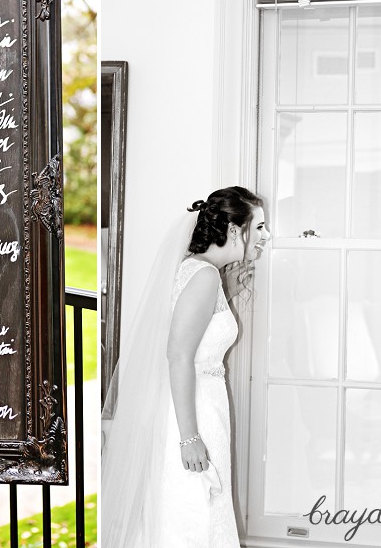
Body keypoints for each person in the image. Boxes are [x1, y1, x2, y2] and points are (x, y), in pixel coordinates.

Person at [101, 186, 269, 548]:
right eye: (259, 228)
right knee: (192, 515)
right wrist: (190, 438)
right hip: (194, 415)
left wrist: (228, 293)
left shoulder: (204, 273)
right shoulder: (203, 277)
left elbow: (195, 337)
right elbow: (178, 356)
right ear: (235, 230)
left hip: (201, 407)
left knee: (195, 510)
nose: (265, 236)